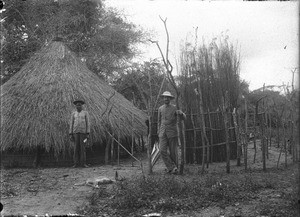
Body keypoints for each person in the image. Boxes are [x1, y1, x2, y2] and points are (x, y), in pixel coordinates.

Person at [157, 91, 186, 174]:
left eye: (168, 97)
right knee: (162, 150)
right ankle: (172, 167)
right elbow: (159, 121)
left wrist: (181, 113)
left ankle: (174, 170)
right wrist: (158, 131)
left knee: (173, 152)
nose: (166, 99)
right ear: (163, 98)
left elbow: (184, 118)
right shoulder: (160, 108)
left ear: (170, 99)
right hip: (162, 132)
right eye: (165, 97)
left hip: (172, 132)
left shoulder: (175, 107)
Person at [69, 99, 90, 168]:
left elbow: (88, 123)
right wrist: (70, 134)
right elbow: (71, 124)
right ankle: (75, 163)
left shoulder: (85, 113)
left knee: (83, 148)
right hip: (75, 133)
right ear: (75, 106)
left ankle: (83, 163)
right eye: (77, 105)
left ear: (82, 106)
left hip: (83, 133)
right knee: (76, 148)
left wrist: (87, 133)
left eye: (80, 105)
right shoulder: (73, 114)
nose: (79, 106)